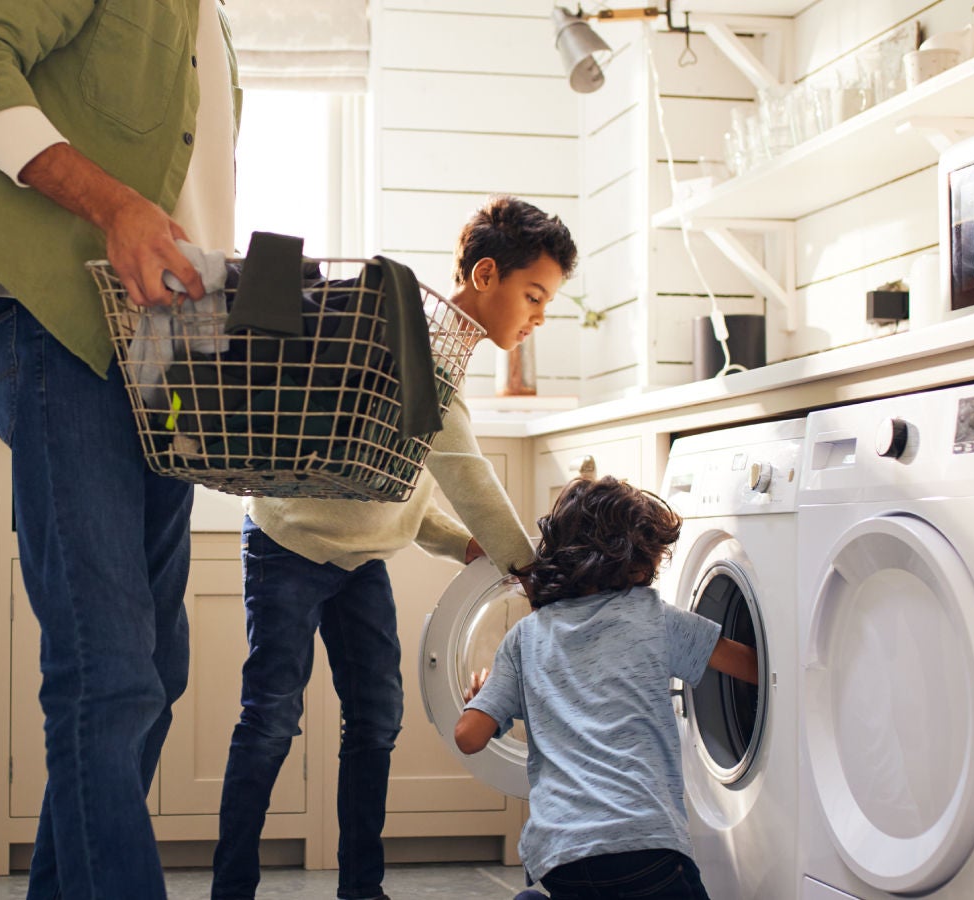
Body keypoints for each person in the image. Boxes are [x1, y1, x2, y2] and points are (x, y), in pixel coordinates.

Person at [0, 2, 238, 897]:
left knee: (152, 669)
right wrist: (114, 205)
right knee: (109, 667)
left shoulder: (213, 27)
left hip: (170, 354)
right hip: (61, 321)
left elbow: (190, 195)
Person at [210, 196, 579, 900]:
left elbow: (397, 479)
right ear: (486, 274)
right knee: (271, 717)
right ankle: (231, 890)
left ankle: (362, 889)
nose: (538, 316)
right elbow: (463, 470)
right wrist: (531, 570)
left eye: (548, 302)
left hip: (360, 559)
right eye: (533, 295)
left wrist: (456, 542)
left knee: (376, 719)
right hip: (290, 542)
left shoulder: (442, 355)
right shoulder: (421, 345)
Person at [457, 476, 760, 900]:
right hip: (646, 849)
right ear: (637, 563)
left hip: (559, 857)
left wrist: (483, 703)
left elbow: (469, 737)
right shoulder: (653, 616)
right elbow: (753, 667)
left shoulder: (525, 637)